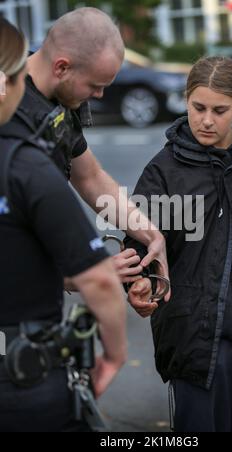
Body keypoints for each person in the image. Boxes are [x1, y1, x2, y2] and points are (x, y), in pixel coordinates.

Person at [125, 57, 232, 432]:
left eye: (220, 110)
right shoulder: (163, 170)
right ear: (186, 100)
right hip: (195, 348)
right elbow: (138, 245)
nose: (207, 120)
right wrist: (139, 282)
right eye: (198, 107)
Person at [0, 18, 127, 432]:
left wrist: (147, 229)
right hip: (23, 375)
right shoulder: (25, 164)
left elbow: (90, 175)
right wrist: (113, 355)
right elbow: (100, 282)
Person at [0, 7, 169, 290]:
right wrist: (89, 272)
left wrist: (151, 234)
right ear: (62, 67)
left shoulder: (59, 99)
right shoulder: (8, 109)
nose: (100, 95)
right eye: (95, 85)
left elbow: (89, 176)